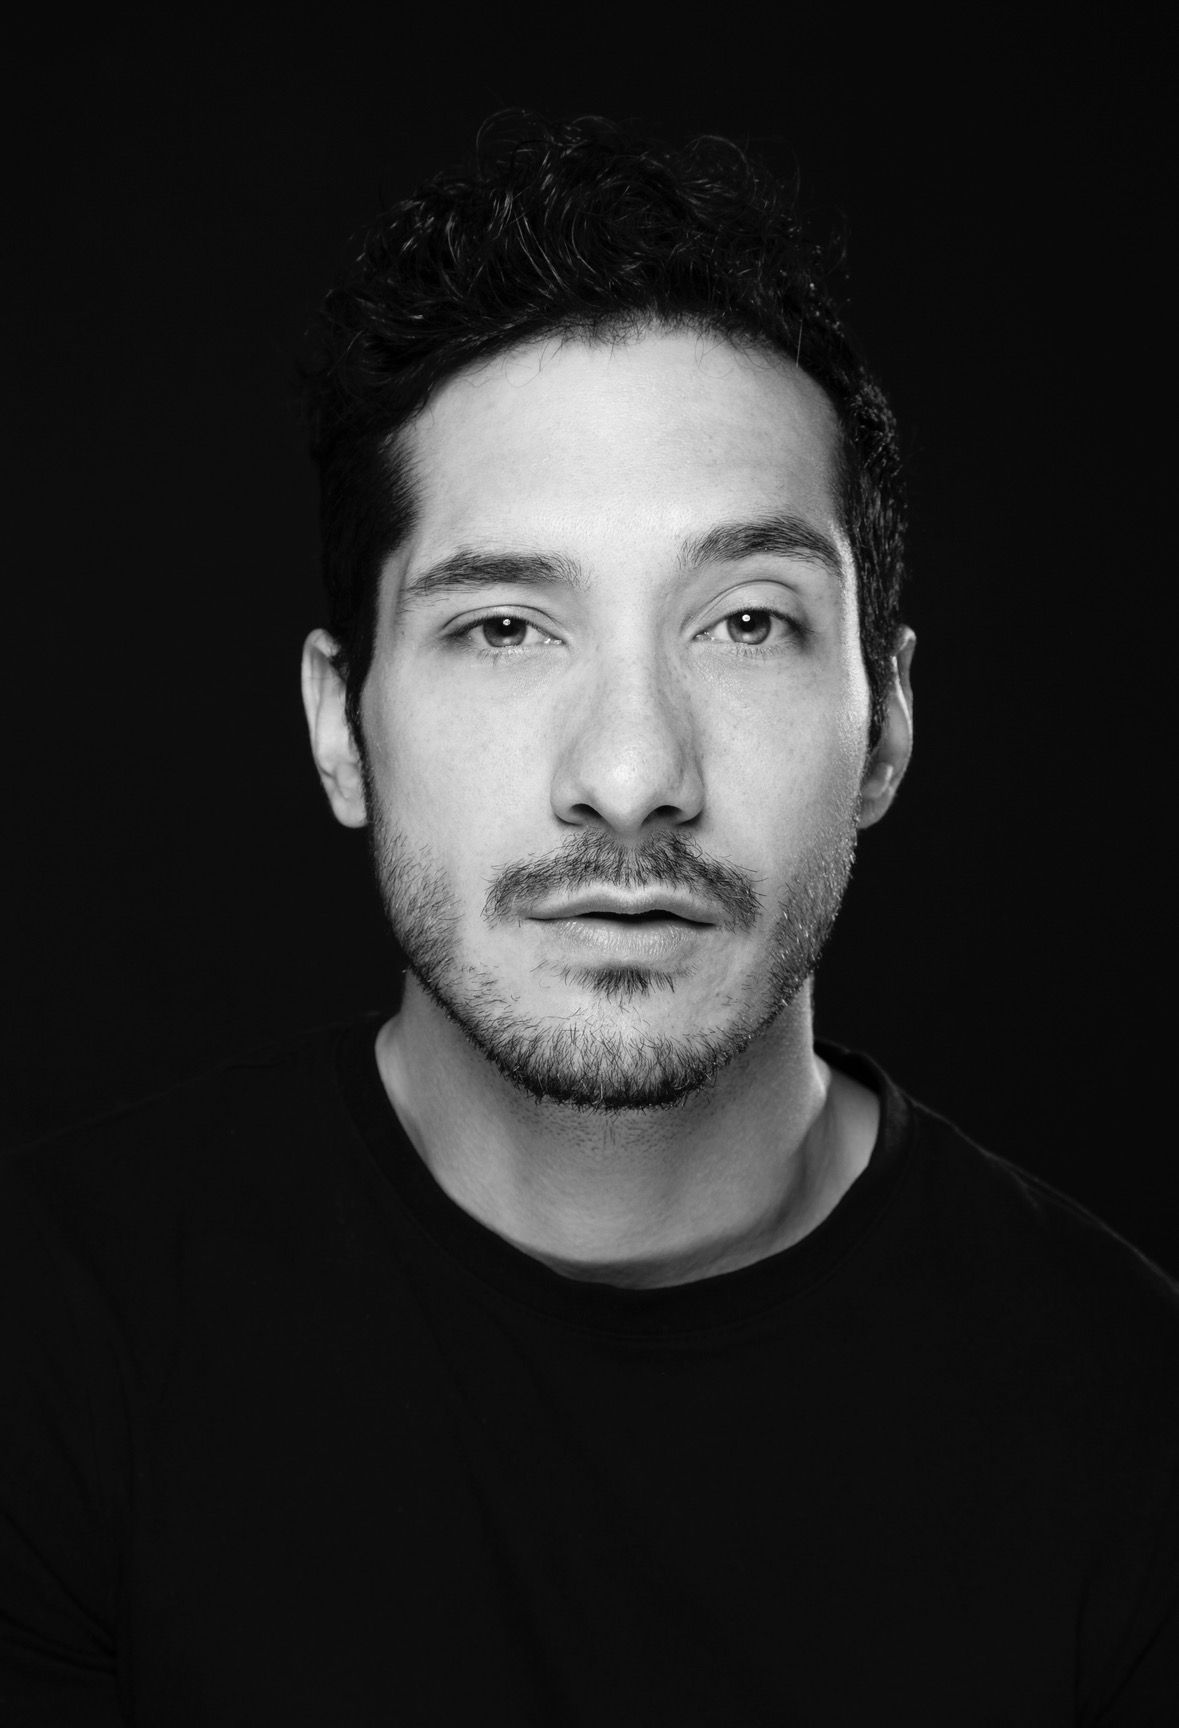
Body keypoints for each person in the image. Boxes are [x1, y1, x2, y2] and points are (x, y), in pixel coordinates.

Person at [2, 114, 1175, 1726]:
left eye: (746, 622)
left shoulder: (1133, 1430)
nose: (631, 777)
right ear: (342, 728)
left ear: (887, 725)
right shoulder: (51, 1347)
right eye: (505, 627)